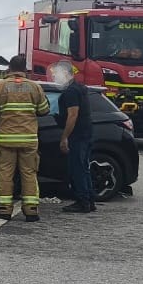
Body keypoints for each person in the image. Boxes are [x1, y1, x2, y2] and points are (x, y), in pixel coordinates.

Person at [0, 54, 49, 222]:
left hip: (6, 139)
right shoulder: (35, 87)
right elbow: (44, 111)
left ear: (9, 69)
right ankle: (31, 210)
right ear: (25, 69)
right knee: (29, 173)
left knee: (5, 173)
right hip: (28, 139)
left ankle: (5, 209)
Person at [54, 62, 95, 213]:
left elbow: (73, 115)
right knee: (84, 168)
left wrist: (65, 137)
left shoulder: (71, 91)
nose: (54, 76)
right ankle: (89, 200)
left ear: (65, 73)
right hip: (86, 132)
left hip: (77, 134)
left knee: (77, 168)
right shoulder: (80, 88)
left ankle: (82, 201)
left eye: (56, 73)